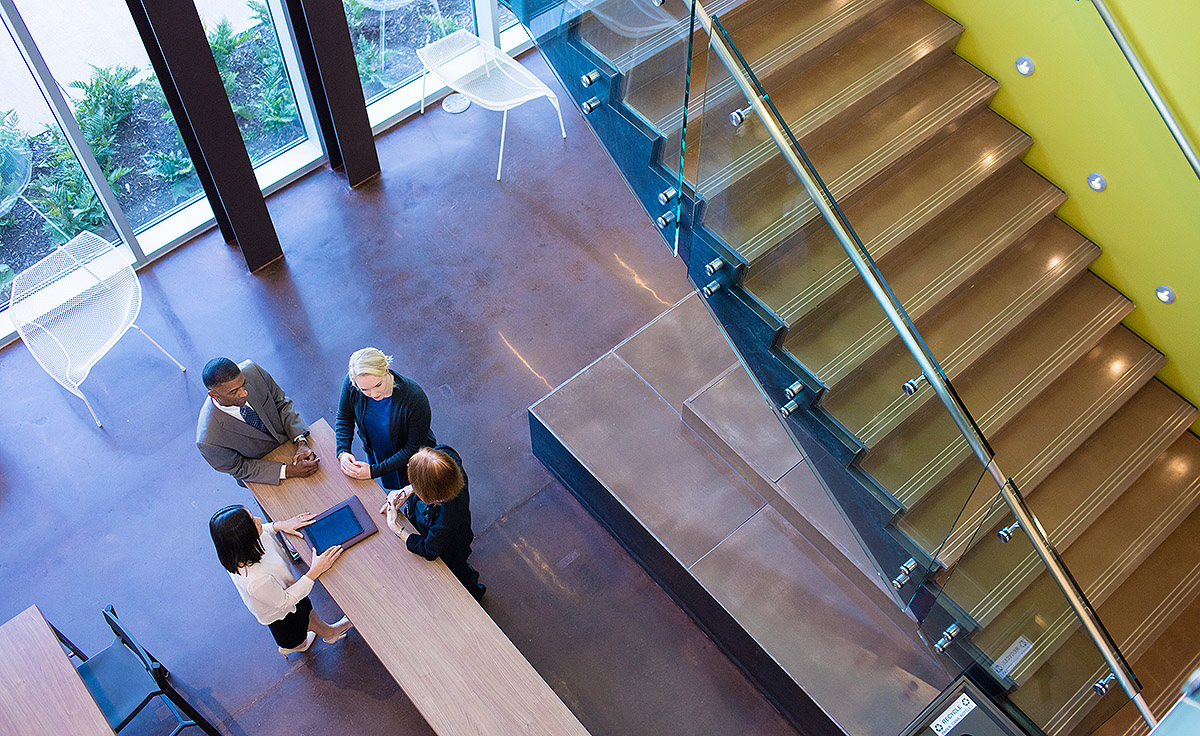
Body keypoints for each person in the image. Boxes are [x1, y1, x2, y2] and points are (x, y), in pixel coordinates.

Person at [209, 505, 353, 657]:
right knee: (295, 635)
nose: (259, 520)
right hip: (280, 611)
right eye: (252, 520)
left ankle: (328, 632)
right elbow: (284, 602)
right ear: (244, 537)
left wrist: (279, 525)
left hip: (288, 591)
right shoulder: (255, 580)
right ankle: (297, 646)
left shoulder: (240, 547)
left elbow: (263, 529)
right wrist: (315, 570)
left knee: (305, 609)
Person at [380, 446, 485, 601]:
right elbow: (434, 474)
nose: (408, 467)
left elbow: (429, 550)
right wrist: (409, 490)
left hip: (450, 549)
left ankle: (474, 593)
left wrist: (396, 527)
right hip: (455, 529)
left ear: (429, 494)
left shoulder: (444, 521)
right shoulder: (447, 458)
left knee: (459, 571)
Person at [197, 358, 319, 485]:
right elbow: (238, 467)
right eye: (234, 392)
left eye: (243, 384)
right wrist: (288, 471)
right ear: (214, 395)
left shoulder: (253, 372)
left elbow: (282, 403)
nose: (244, 393)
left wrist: (300, 441)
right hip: (264, 474)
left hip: (290, 443)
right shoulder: (208, 440)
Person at [335, 348, 435, 490]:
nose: (373, 393)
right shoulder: (352, 384)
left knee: (415, 492)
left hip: (412, 460)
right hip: (380, 452)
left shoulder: (414, 397)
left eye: (378, 385)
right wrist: (343, 451)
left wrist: (373, 471)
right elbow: (345, 416)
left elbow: (413, 449)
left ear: (386, 370)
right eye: (365, 389)